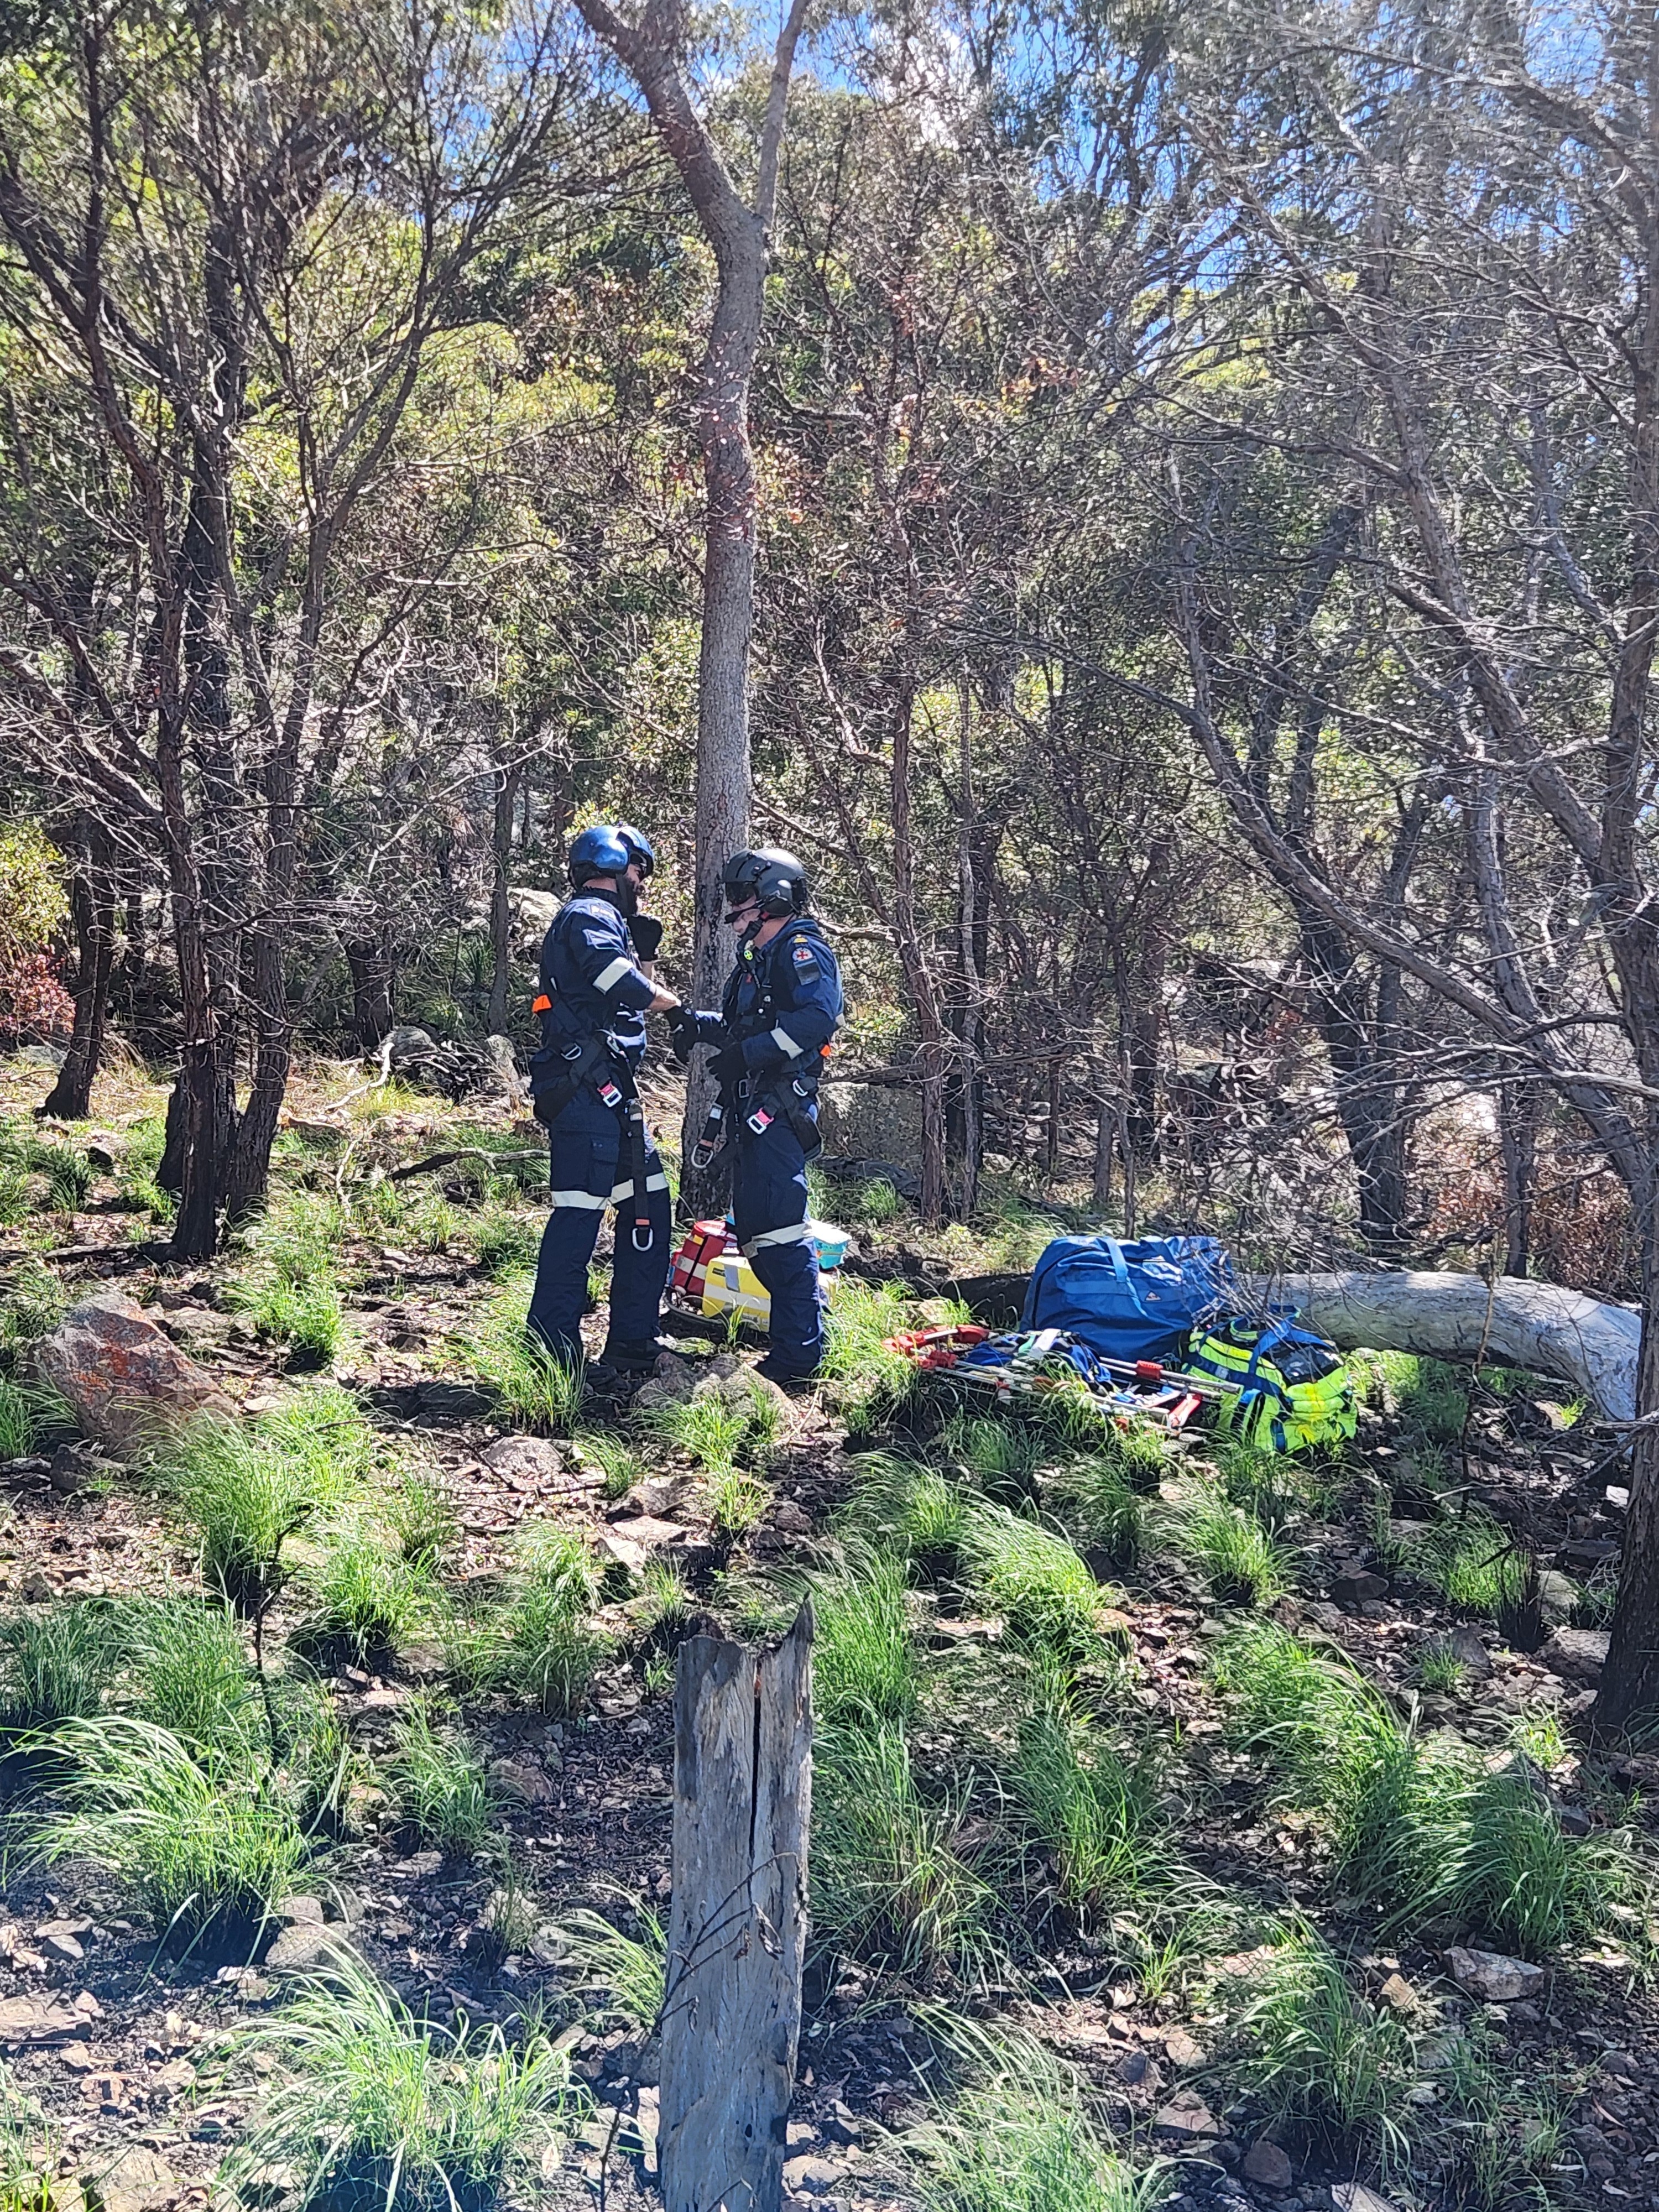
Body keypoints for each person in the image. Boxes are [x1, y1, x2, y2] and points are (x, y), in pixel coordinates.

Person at [671, 848, 843, 1382]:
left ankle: (800, 1358)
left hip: (778, 1110)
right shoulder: (758, 960)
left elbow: (817, 1019)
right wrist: (698, 1025)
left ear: (774, 896)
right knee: (754, 1233)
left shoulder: (800, 951)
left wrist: (750, 1054)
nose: (734, 907)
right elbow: (746, 1027)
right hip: (751, 1110)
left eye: (742, 894)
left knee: (781, 1231)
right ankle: (800, 1338)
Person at [526, 822, 682, 1379]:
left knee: (649, 1204)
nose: (642, 883)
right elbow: (617, 980)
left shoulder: (609, 920)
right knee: (578, 1216)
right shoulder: (589, 915)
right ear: (616, 867)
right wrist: (676, 1007)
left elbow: (628, 1000)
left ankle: (633, 1339)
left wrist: (647, 953)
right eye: (639, 872)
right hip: (585, 1093)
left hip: (611, 1095)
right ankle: (552, 1354)